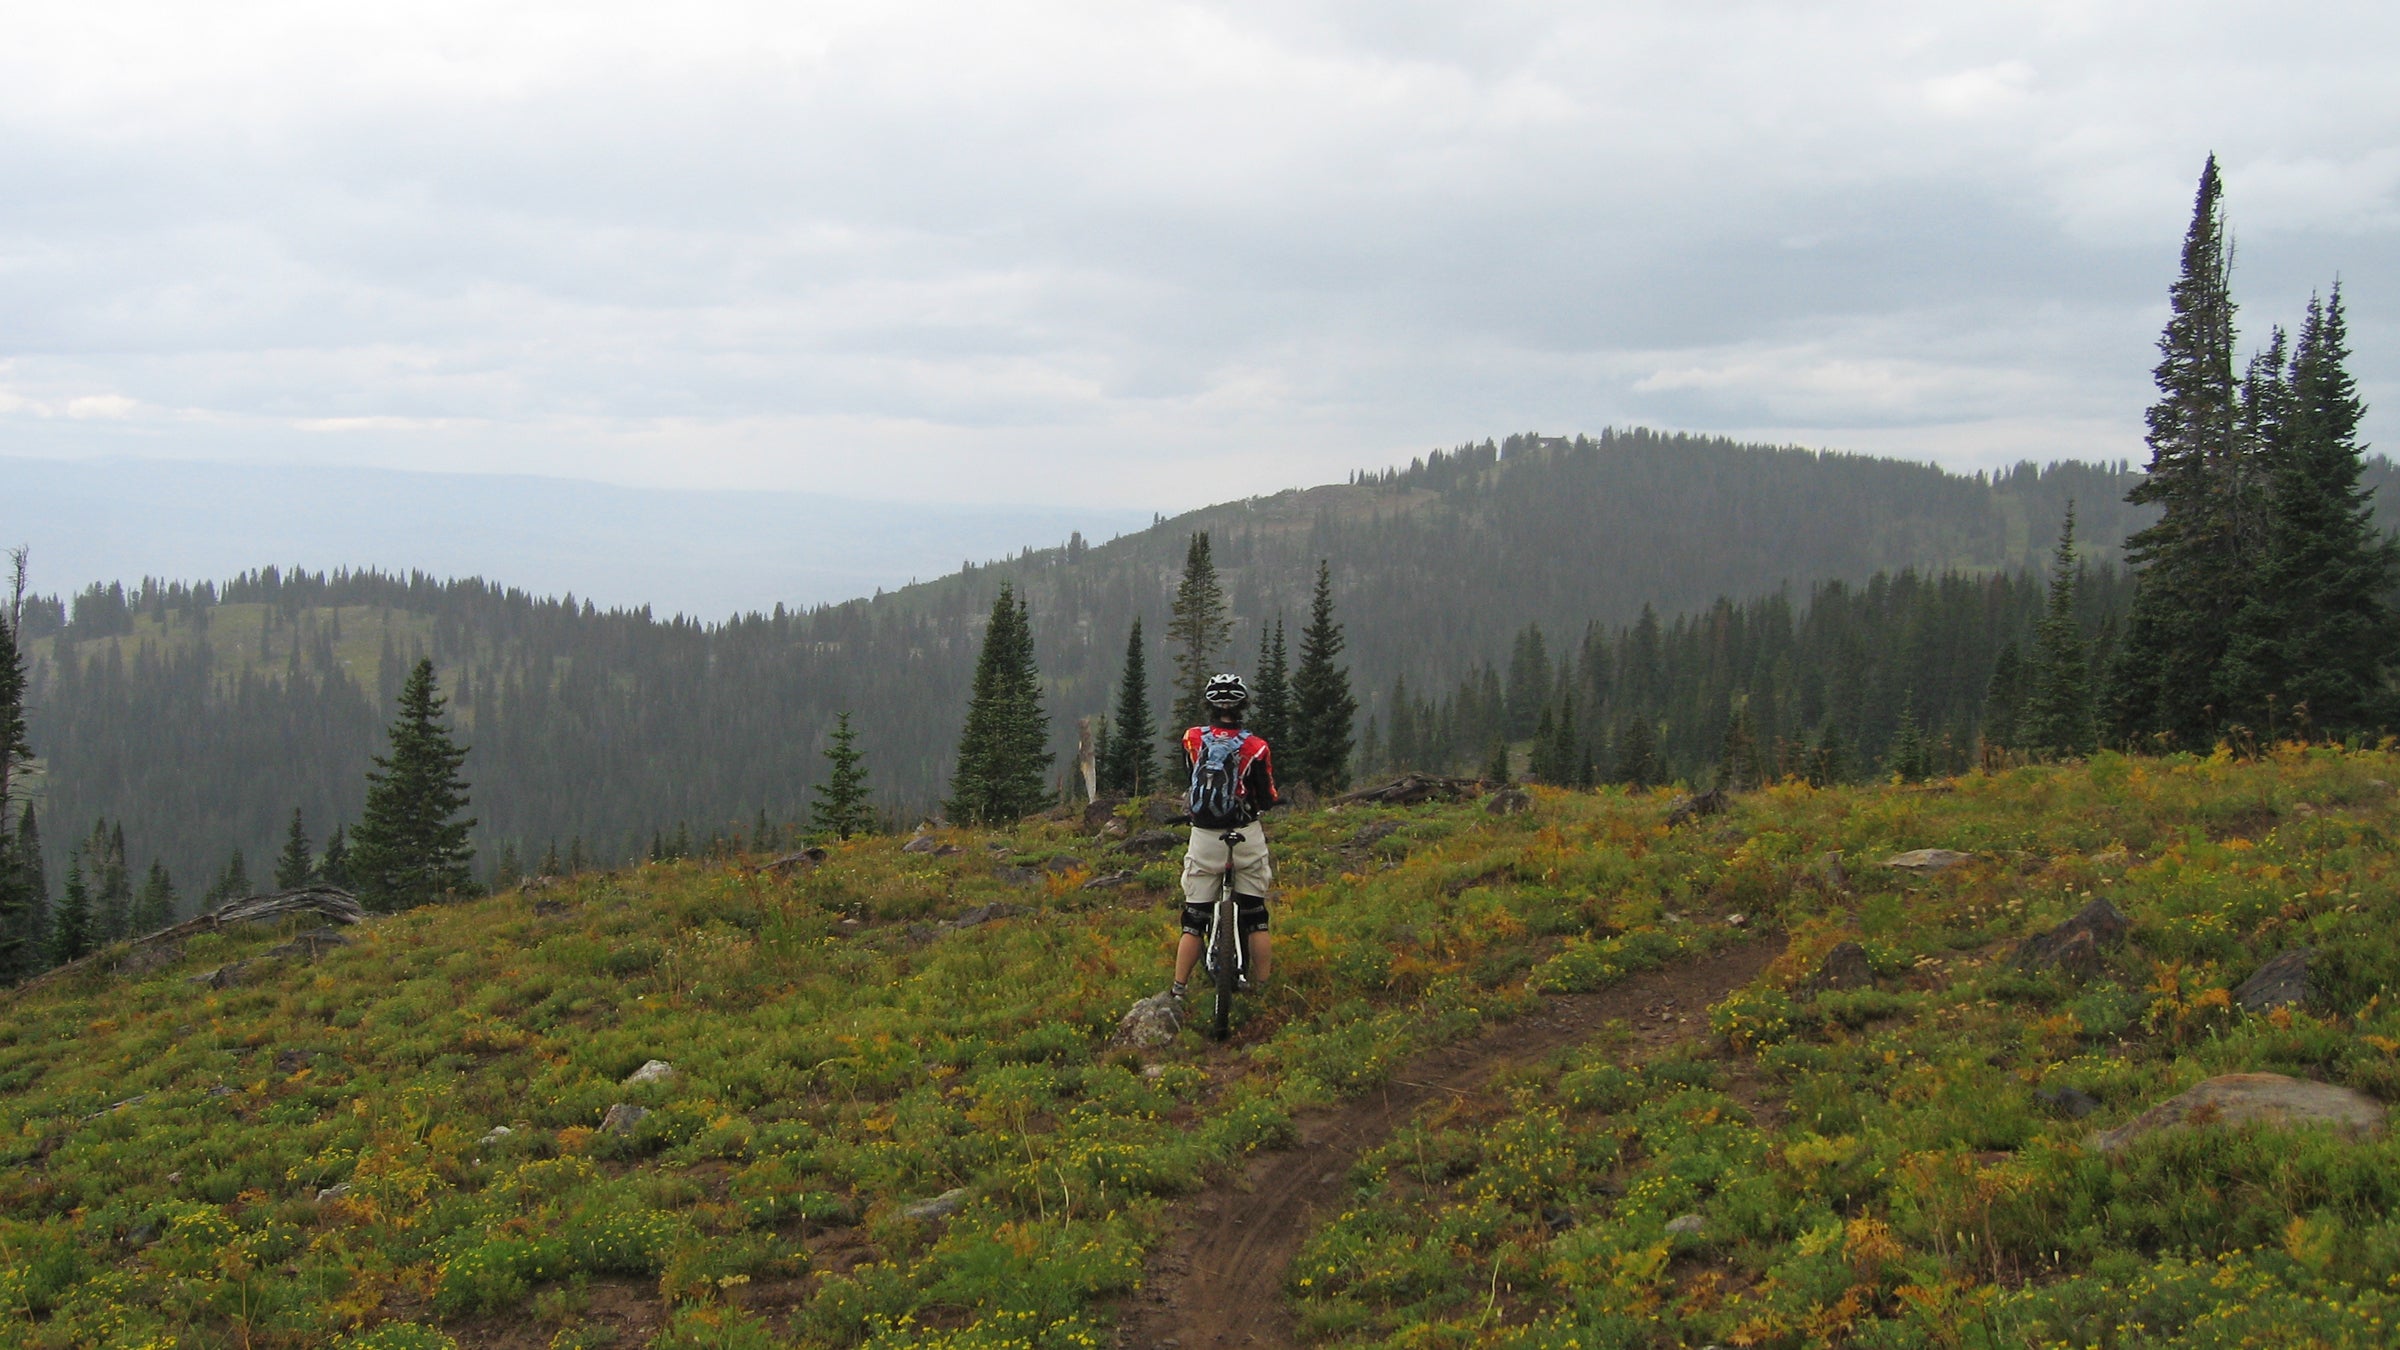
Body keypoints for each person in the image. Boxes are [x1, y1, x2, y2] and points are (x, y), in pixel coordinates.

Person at [1169, 672, 1280, 1004]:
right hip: (1244, 834)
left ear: (1209, 705)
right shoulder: (1256, 747)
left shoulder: (1192, 738)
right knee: (1256, 915)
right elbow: (1267, 795)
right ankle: (1262, 989)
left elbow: (1191, 776)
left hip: (1204, 837)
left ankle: (1178, 989)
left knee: (1194, 918)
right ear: (1243, 705)